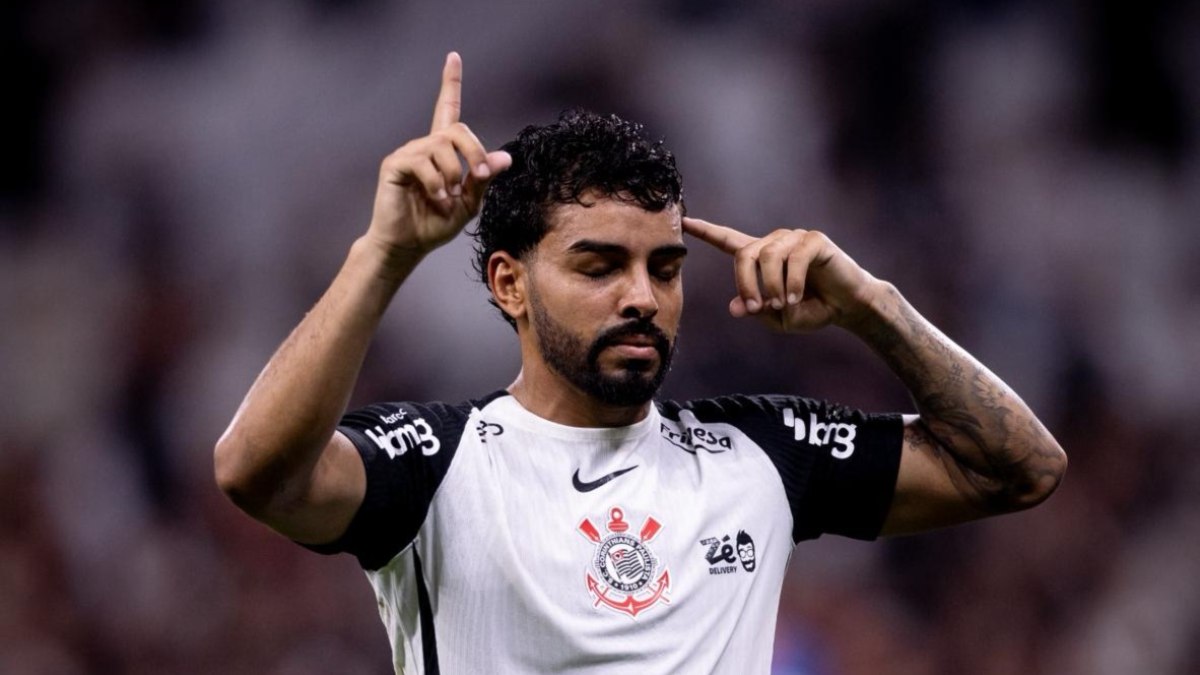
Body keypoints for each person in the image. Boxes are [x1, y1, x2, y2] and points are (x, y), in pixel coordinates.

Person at [215, 53, 1067, 674]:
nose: (642, 297)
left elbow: (1019, 468)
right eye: (599, 267)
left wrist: (873, 307)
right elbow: (255, 472)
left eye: (664, 268)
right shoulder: (439, 462)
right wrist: (384, 254)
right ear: (510, 283)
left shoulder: (761, 453)